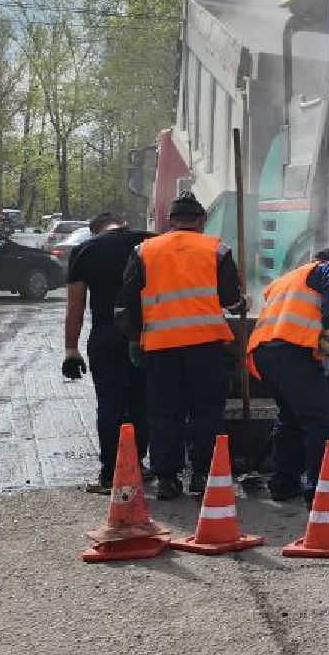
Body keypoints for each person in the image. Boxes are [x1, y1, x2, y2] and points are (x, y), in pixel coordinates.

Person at [113, 192, 244, 501]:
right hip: (205, 347)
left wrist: (137, 337)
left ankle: (167, 480)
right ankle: (202, 476)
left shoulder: (144, 251)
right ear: (201, 220)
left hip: (162, 349)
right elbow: (229, 299)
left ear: (169, 221)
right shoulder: (217, 249)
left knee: (163, 413)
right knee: (207, 411)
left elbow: (125, 304)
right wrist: (241, 302)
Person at [246, 249, 329, 508]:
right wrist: (328, 322)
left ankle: (284, 484)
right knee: (319, 423)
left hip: (263, 354)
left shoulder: (286, 278)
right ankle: (323, 492)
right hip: (292, 352)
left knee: (290, 418)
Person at [60, 212, 151, 492]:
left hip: (106, 336)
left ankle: (110, 473)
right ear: (122, 224)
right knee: (141, 402)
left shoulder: (85, 250)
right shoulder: (148, 242)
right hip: (145, 336)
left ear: (95, 230)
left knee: (110, 405)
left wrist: (71, 349)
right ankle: (138, 465)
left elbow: (75, 306)